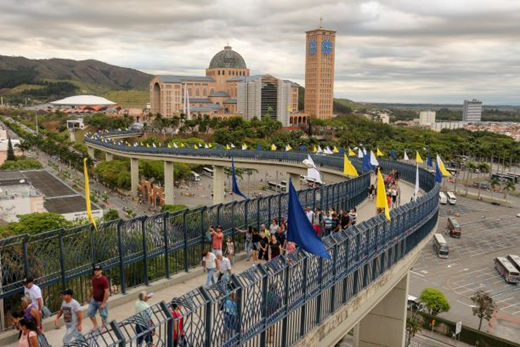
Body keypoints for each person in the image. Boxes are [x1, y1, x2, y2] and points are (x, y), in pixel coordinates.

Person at [88, 265, 109, 330]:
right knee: (90, 313)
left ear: (101, 271)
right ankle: (96, 325)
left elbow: (106, 292)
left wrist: (103, 303)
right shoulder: (93, 278)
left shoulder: (104, 279)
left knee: (103, 315)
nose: (96, 272)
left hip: (101, 300)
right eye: (95, 270)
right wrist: (90, 297)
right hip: (94, 299)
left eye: (98, 270)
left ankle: (104, 326)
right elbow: (93, 288)